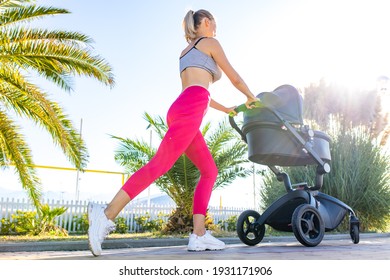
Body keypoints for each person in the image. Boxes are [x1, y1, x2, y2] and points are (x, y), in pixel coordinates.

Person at [87, 9, 259, 256]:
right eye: (214, 25)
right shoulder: (211, 42)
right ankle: (105, 215)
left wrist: (226, 109)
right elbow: (234, 77)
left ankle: (199, 235)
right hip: (190, 109)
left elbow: (196, 90)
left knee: (209, 170)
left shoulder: (185, 52)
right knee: (158, 166)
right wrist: (250, 97)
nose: (216, 29)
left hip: (181, 107)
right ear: (207, 22)